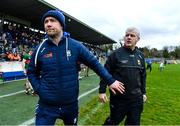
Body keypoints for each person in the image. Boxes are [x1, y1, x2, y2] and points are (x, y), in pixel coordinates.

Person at [27, 9, 125, 125]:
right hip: (46, 107)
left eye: (52, 20)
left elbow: (94, 63)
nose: (48, 24)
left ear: (61, 24)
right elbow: (31, 72)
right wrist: (40, 90)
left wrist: (110, 80)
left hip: (70, 105)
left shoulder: (76, 46)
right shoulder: (39, 49)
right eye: (46, 21)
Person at [99, 27, 147, 125]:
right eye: (127, 35)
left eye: (132, 35)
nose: (128, 37)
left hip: (136, 99)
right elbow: (105, 73)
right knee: (113, 121)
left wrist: (143, 92)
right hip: (119, 98)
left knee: (133, 123)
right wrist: (102, 91)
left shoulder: (141, 56)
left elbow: (143, 76)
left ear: (138, 39)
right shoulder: (115, 54)